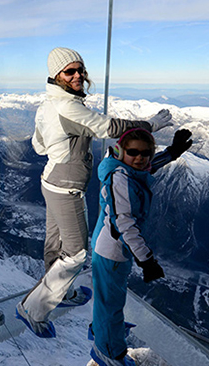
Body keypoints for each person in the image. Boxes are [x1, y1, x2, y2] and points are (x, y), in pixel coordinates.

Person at [15, 47, 174, 338]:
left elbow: (39, 146)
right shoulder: (69, 108)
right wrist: (150, 126)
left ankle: (60, 292)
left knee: (57, 246)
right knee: (76, 254)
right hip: (66, 187)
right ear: (56, 75)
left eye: (80, 70)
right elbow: (109, 127)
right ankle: (34, 309)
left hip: (50, 180)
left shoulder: (47, 105)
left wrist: (61, 145)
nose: (77, 75)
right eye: (70, 71)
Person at [89, 127, 192, 366]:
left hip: (115, 248)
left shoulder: (125, 168)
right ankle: (109, 352)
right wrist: (147, 260)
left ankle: (103, 329)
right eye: (133, 152)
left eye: (146, 152)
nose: (140, 157)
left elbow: (146, 167)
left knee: (110, 298)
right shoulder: (119, 178)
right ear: (121, 151)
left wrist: (172, 153)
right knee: (110, 303)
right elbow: (123, 222)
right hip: (112, 250)